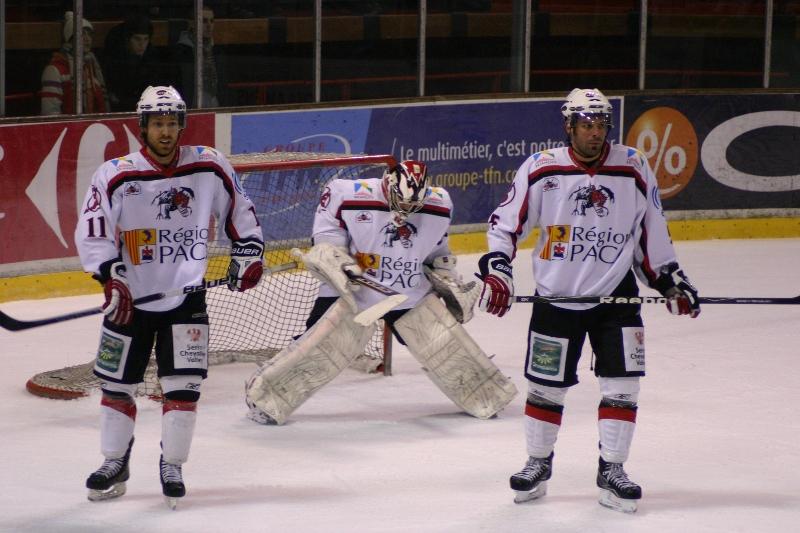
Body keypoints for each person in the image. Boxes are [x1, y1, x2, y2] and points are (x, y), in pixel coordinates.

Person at [478, 88, 700, 513]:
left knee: (622, 386)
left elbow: (652, 228)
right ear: (569, 125)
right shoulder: (542, 168)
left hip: (616, 300)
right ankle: (538, 464)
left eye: (600, 125)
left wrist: (670, 280)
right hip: (556, 297)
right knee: (545, 388)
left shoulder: (633, 165)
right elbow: (505, 225)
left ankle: (612, 470)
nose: (594, 133)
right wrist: (498, 269)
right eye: (586, 124)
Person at [75, 85, 264, 508]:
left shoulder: (210, 166)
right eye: (157, 123)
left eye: (172, 123)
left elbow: (240, 214)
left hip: (187, 298)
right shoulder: (116, 174)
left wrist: (248, 254)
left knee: (183, 386)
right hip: (130, 300)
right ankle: (114, 462)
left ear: (181, 125)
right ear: (143, 127)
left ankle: (172, 464)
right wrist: (110, 275)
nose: (165, 131)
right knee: (116, 384)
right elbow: (93, 229)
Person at [245, 160, 518, 425]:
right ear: (387, 185)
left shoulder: (440, 203)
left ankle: (489, 396)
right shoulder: (346, 194)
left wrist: (448, 279)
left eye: (414, 205)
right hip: (351, 291)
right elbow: (325, 243)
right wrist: (340, 264)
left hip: (408, 291)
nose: (407, 210)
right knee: (318, 351)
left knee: (446, 348)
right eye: (401, 202)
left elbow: (438, 253)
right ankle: (263, 398)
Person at [41, 11, 110, 115]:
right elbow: (50, 114)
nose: (87, 39)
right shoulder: (54, 70)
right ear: (70, 40)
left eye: (89, 34)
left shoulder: (91, 68)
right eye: (82, 34)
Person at [102, 14, 169, 111]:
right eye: (137, 39)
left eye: (145, 39)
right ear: (127, 40)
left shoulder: (153, 60)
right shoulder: (114, 61)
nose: (142, 44)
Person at [171, 6, 222, 108]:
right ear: (192, 23)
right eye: (204, 21)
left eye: (212, 21)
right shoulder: (181, 52)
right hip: (190, 107)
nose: (209, 25)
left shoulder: (216, 50)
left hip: (214, 105)